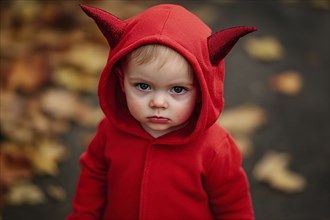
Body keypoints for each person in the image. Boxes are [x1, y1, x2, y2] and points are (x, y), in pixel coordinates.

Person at [68, 3, 256, 220]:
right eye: (143, 86)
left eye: (178, 89)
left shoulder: (215, 147)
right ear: (121, 82)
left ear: (202, 90)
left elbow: (233, 206)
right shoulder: (109, 132)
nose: (158, 102)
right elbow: (93, 178)